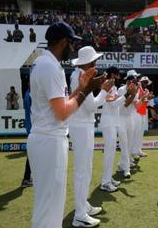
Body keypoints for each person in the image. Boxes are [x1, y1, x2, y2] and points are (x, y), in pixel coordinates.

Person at [27, 21, 101, 228]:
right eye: (71, 43)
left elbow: (62, 104)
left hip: (47, 138)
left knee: (48, 205)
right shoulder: (50, 67)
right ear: (62, 42)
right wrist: (87, 91)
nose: (73, 48)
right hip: (49, 140)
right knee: (50, 207)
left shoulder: (45, 64)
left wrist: (81, 87)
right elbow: (61, 113)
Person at [68, 46, 113, 227]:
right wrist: (103, 90)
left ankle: (83, 205)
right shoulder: (80, 77)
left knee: (86, 168)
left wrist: (98, 85)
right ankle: (79, 214)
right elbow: (90, 106)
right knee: (82, 170)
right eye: (94, 62)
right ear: (88, 63)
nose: (96, 64)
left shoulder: (79, 75)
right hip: (81, 125)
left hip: (82, 125)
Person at [99, 66, 136, 192]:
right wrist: (127, 94)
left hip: (113, 121)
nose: (119, 77)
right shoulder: (107, 85)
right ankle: (105, 182)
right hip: (108, 122)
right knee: (109, 153)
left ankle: (108, 179)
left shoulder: (113, 87)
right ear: (113, 75)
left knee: (112, 152)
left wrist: (124, 95)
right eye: (117, 75)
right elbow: (113, 104)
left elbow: (115, 102)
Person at [117, 70, 140, 178]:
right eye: (131, 82)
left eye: (134, 83)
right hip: (120, 118)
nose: (132, 84)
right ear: (127, 82)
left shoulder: (134, 90)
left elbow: (136, 106)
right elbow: (125, 104)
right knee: (124, 143)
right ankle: (127, 169)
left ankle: (121, 165)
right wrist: (133, 93)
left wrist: (144, 99)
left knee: (129, 144)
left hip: (130, 118)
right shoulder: (121, 90)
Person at [132, 76, 154, 160]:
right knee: (136, 133)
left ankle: (138, 150)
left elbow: (147, 103)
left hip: (143, 112)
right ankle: (133, 151)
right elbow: (137, 100)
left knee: (141, 132)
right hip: (136, 112)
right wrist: (146, 98)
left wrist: (149, 98)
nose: (145, 83)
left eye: (146, 82)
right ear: (141, 82)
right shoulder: (138, 89)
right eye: (144, 82)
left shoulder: (146, 91)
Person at [21, 84, 32, 188]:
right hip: (33, 128)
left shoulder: (27, 93)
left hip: (31, 127)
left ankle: (27, 178)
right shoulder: (30, 95)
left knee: (32, 154)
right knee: (32, 154)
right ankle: (27, 178)